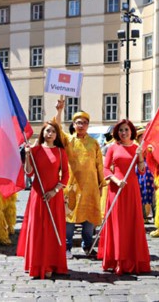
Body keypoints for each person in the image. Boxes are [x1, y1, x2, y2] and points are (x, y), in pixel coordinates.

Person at [16, 120, 69, 279]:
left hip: (54, 196)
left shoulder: (60, 152)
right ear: (43, 133)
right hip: (38, 194)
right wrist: (27, 155)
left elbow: (66, 175)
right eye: (47, 131)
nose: (50, 134)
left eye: (53, 131)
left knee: (52, 230)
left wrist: (55, 191)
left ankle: (51, 263)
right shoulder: (35, 150)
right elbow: (29, 172)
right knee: (38, 229)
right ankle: (37, 263)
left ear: (56, 135)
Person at [97, 119, 151, 275]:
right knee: (118, 223)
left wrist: (140, 156)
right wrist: (116, 180)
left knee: (132, 223)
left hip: (131, 188)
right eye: (121, 130)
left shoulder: (136, 148)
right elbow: (106, 169)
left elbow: (141, 170)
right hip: (116, 189)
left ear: (131, 131)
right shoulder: (113, 148)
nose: (124, 133)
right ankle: (117, 260)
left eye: (126, 130)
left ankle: (131, 259)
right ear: (117, 133)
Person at [55, 99, 104, 259]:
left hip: (90, 187)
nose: (81, 125)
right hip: (72, 186)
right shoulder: (68, 140)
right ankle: (67, 247)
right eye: (78, 122)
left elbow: (99, 164)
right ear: (74, 125)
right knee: (69, 218)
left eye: (84, 122)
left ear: (88, 125)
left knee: (89, 219)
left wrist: (101, 183)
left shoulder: (94, 143)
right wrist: (59, 111)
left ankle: (87, 246)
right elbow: (57, 128)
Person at [135, 127, 155, 222]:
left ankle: (155, 215)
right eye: (141, 137)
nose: (142, 138)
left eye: (144, 137)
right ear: (138, 139)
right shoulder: (135, 148)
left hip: (150, 172)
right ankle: (143, 215)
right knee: (140, 193)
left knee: (152, 193)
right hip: (138, 173)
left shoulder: (150, 148)